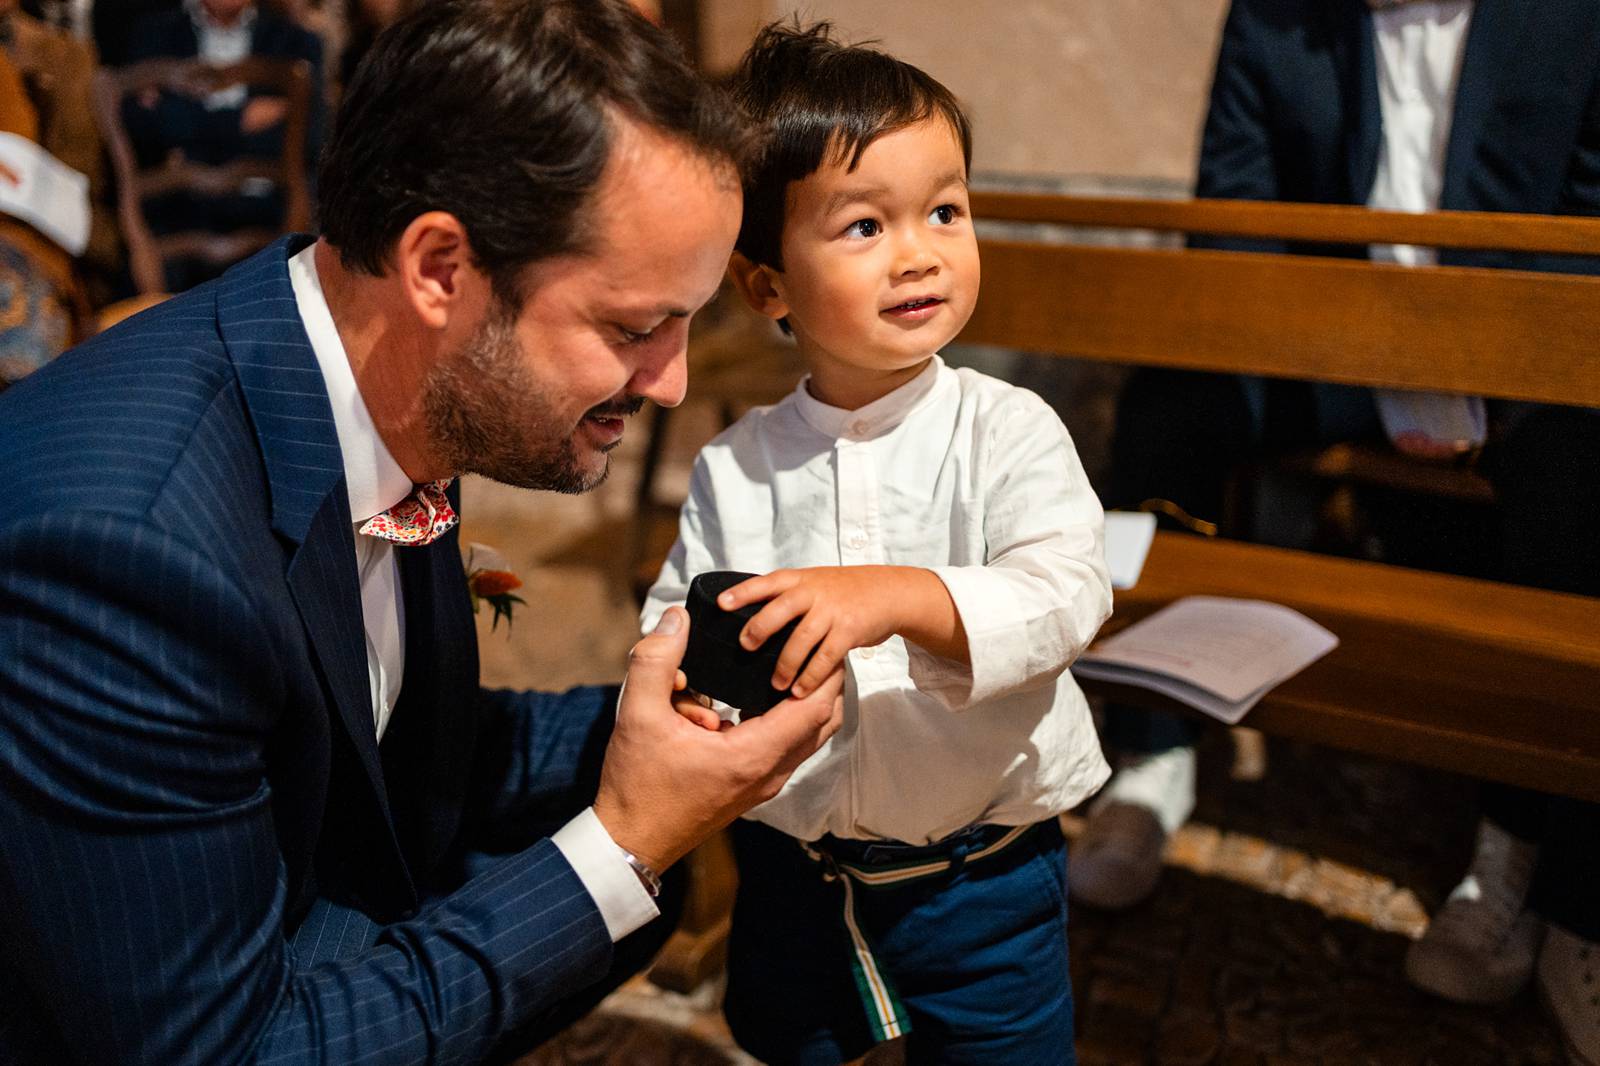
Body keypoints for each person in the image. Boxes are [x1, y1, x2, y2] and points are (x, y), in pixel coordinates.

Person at [0, 2, 846, 1063]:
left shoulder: (380, 385)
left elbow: (402, 747)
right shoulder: (124, 555)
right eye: (633, 328)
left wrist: (717, 713)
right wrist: (625, 839)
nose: (672, 380)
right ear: (440, 266)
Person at [1076, 0, 1599, 1058]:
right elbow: (1231, 210)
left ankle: (1527, 859)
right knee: (1169, 401)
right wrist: (1362, 355)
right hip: (1331, 349)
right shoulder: (1277, 16)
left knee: (1583, 468)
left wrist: (1474, 375)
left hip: (1530, 362)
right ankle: (1155, 746)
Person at [641, 23, 1112, 1065]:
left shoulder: (1007, 428)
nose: (919, 250)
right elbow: (679, 611)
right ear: (768, 288)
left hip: (981, 873)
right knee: (789, 1035)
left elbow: (1066, 594)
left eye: (946, 210)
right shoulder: (738, 464)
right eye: (863, 225)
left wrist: (897, 596)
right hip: (794, 870)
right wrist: (686, 681)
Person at [117, 0, 326, 290]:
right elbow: (141, 129)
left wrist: (183, 126)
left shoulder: (296, 43)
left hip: (266, 214)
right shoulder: (153, 34)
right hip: (179, 212)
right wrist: (239, 120)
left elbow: (309, 143)